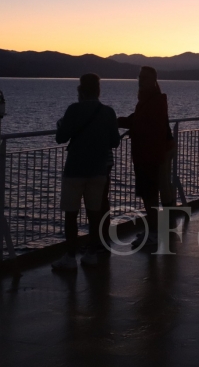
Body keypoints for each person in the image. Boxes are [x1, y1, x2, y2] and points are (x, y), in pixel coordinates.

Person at [52, 73, 120, 271]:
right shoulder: (108, 112)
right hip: (99, 170)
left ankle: (70, 257)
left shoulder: (73, 109)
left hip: (75, 170)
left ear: (81, 90)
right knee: (95, 213)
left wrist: (61, 125)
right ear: (98, 90)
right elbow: (115, 141)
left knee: (71, 215)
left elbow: (60, 138)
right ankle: (92, 254)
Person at [118, 66, 174, 248]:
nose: (141, 81)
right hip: (146, 154)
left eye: (145, 78)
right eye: (140, 77)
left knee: (149, 196)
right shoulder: (148, 101)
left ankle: (154, 234)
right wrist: (118, 121)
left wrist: (132, 127)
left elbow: (150, 127)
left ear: (153, 80)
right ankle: (153, 231)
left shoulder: (154, 102)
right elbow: (138, 121)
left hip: (149, 156)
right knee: (149, 195)